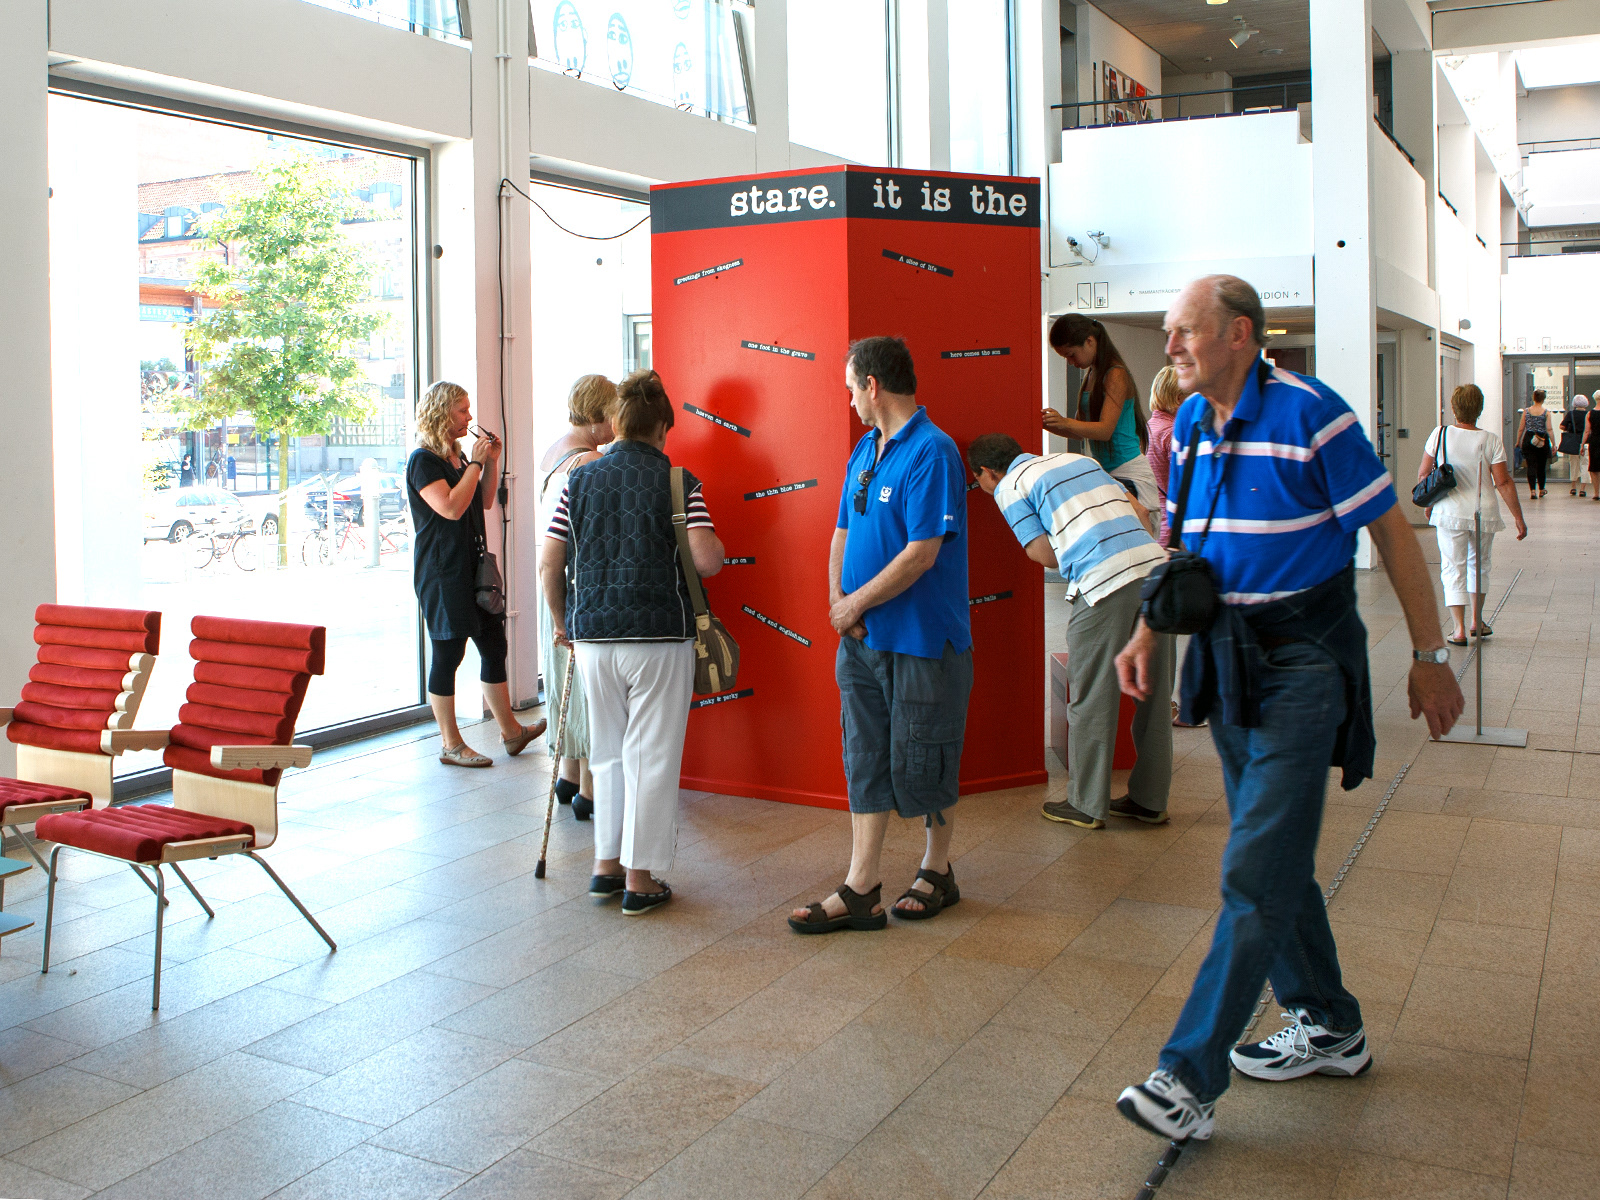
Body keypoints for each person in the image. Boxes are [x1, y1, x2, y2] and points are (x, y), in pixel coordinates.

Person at [1112, 275, 1464, 1144]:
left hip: (1308, 657)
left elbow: (1391, 531)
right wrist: (1150, 635)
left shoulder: (1316, 413)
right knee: (1272, 856)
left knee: (1254, 866)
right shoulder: (1190, 424)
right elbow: (1182, 547)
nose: (1171, 348)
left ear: (1239, 334)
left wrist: (1428, 657)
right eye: (1168, 333)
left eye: (1184, 332)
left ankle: (1184, 1077)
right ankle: (1331, 1023)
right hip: (1229, 659)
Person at [789, 336, 972, 933]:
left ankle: (937, 869)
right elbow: (842, 531)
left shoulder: (933, 451)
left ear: (872, 384)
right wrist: (840, 603)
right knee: (865, 758)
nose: (848, 401)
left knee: (928, 755)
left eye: (850, 388)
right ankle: (862, 884)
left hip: (922, 641)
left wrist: (855, 604)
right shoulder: (865, 451)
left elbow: (922, 553)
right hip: (862, 640)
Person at [540, 370, 724, 915]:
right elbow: (707, 560)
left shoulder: (580, 480)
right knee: (653, 754)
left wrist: (561, 623)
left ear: (616, 423)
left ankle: (605, 868)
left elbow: (551, 561)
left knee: (609, 752)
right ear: (663, 427)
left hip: (593, 634)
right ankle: (639, 880)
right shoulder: (677, 483)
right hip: (658, 635)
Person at [969, 432, 1173, 829]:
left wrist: (1084, 558)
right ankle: (1150, 801)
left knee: (1091, 696)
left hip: (1104, 582)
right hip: (1157, 574)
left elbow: (1042, 554)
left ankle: (1085, 804)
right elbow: (1143, 513)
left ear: (988, 472)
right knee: (1154, 692)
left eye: (977, 481)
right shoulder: (1080, 461)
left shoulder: (1010, 486)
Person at [407, 381, 545, 768]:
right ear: (441, 413)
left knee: (493, 644)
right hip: (442, 571)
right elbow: (449, 507)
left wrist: (490, 461)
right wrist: (478, 463)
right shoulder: (424, 461)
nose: (470, 418)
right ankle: (451, 744)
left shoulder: (458, 458)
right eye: (462, 411)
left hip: (474, 568)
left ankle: (511, 732)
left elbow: (481, 500)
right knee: (449, 651)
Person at [536, 374, 617, 823]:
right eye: (611, 417)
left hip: (550, 574)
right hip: (572, 579)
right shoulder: (587, 461)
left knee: (560, 678)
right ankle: (589, 788)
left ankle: (567, 774)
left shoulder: (554, 450)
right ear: (596, 416)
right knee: (583, 685)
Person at [1418, 384, 1528, 645]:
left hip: (1448, 510)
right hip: (1483, 513)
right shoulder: (1490, 439)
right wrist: (1518, 517)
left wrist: (1429, 502)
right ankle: (1477, 623)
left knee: (1452, 566)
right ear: (1479, 409)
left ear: (1454, 408)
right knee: (1478, 565)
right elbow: (1503, 482)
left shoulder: (1440, 434)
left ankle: (1457, 630)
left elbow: (1424, 474)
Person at [1041, 314, 1160, 511]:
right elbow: (1080, 431)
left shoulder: (1116, 374)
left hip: (1130, 474)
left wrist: (1064, 422)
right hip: (1109, 473)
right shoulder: (1091, 376)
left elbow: (1105, 430)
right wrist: (1050, 423)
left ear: (1089, 341)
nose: (1071, 362)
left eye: (1071, 355)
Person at [1146, 365, 1185, 545]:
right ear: (1179, 399)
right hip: (1172, 525)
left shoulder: (1148, 427)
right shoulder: (1172, 433)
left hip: (1152, 518)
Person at [1518, 389, 1552, 500]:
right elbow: (1549, 429)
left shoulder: (1526, 411)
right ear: (1543, 399)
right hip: (1542, 438)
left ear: (1534, 398)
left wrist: (1518, 441)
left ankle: (1532, 490)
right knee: (1541, 466)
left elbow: (1521, 428)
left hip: (1529, 438)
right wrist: (1554, 443)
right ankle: (1541, 489)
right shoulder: (1546, 412)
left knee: (1531, 465)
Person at [1562, 393, 1592, 497]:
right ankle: (1583, 489)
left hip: (1573, 443)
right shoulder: (1589, 414)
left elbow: (1562, 426)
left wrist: (1569, 428)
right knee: (1585, 465)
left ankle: (1573, 487)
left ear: (1574, 403)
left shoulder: (1571, 414)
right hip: (1586, 442)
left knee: (1573, 465)